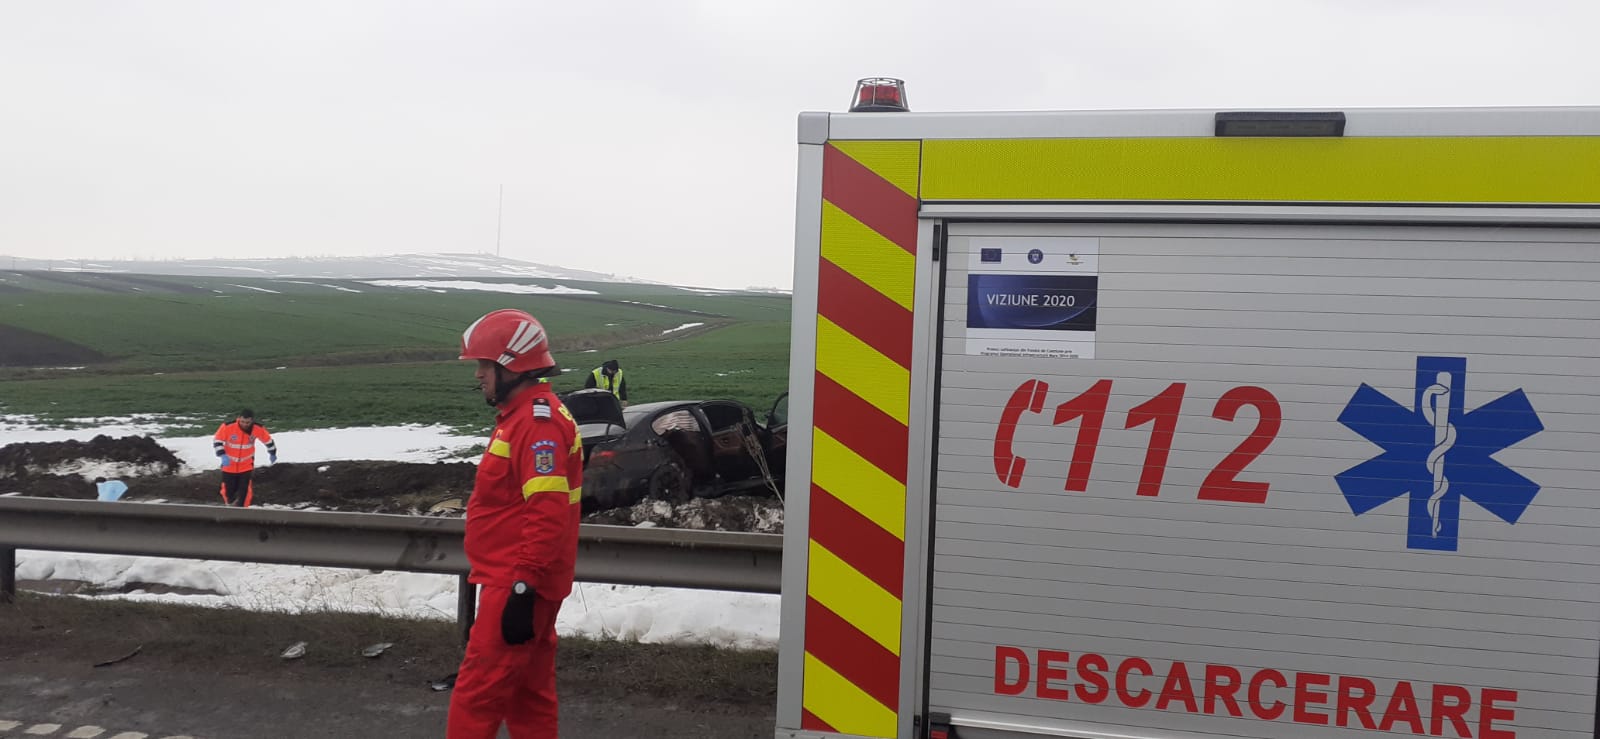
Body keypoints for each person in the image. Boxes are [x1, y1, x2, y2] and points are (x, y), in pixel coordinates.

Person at [449, 308, 582, 739]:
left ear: (511, 365)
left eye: (484, 365)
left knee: (477, 696)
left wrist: (523, 587)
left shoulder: (536, 424)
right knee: (529, 695)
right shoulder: (526, 417)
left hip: (517, 582)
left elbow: (547, 512)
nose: (478, 375)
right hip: (521, 579)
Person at [212, 408, 276, 507]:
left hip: (246, 466)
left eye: (247, 422)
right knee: (228, 491)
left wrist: (272, 453)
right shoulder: (228, 427)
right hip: (229, 465)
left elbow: (268, 441)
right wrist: (222, 455)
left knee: (244, 492)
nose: (244, 424)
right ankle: (229, 506)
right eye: (242, 421)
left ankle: (243, 509)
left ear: (252, 421)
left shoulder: (257, 428)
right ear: (239, 419)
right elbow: (217, 441)